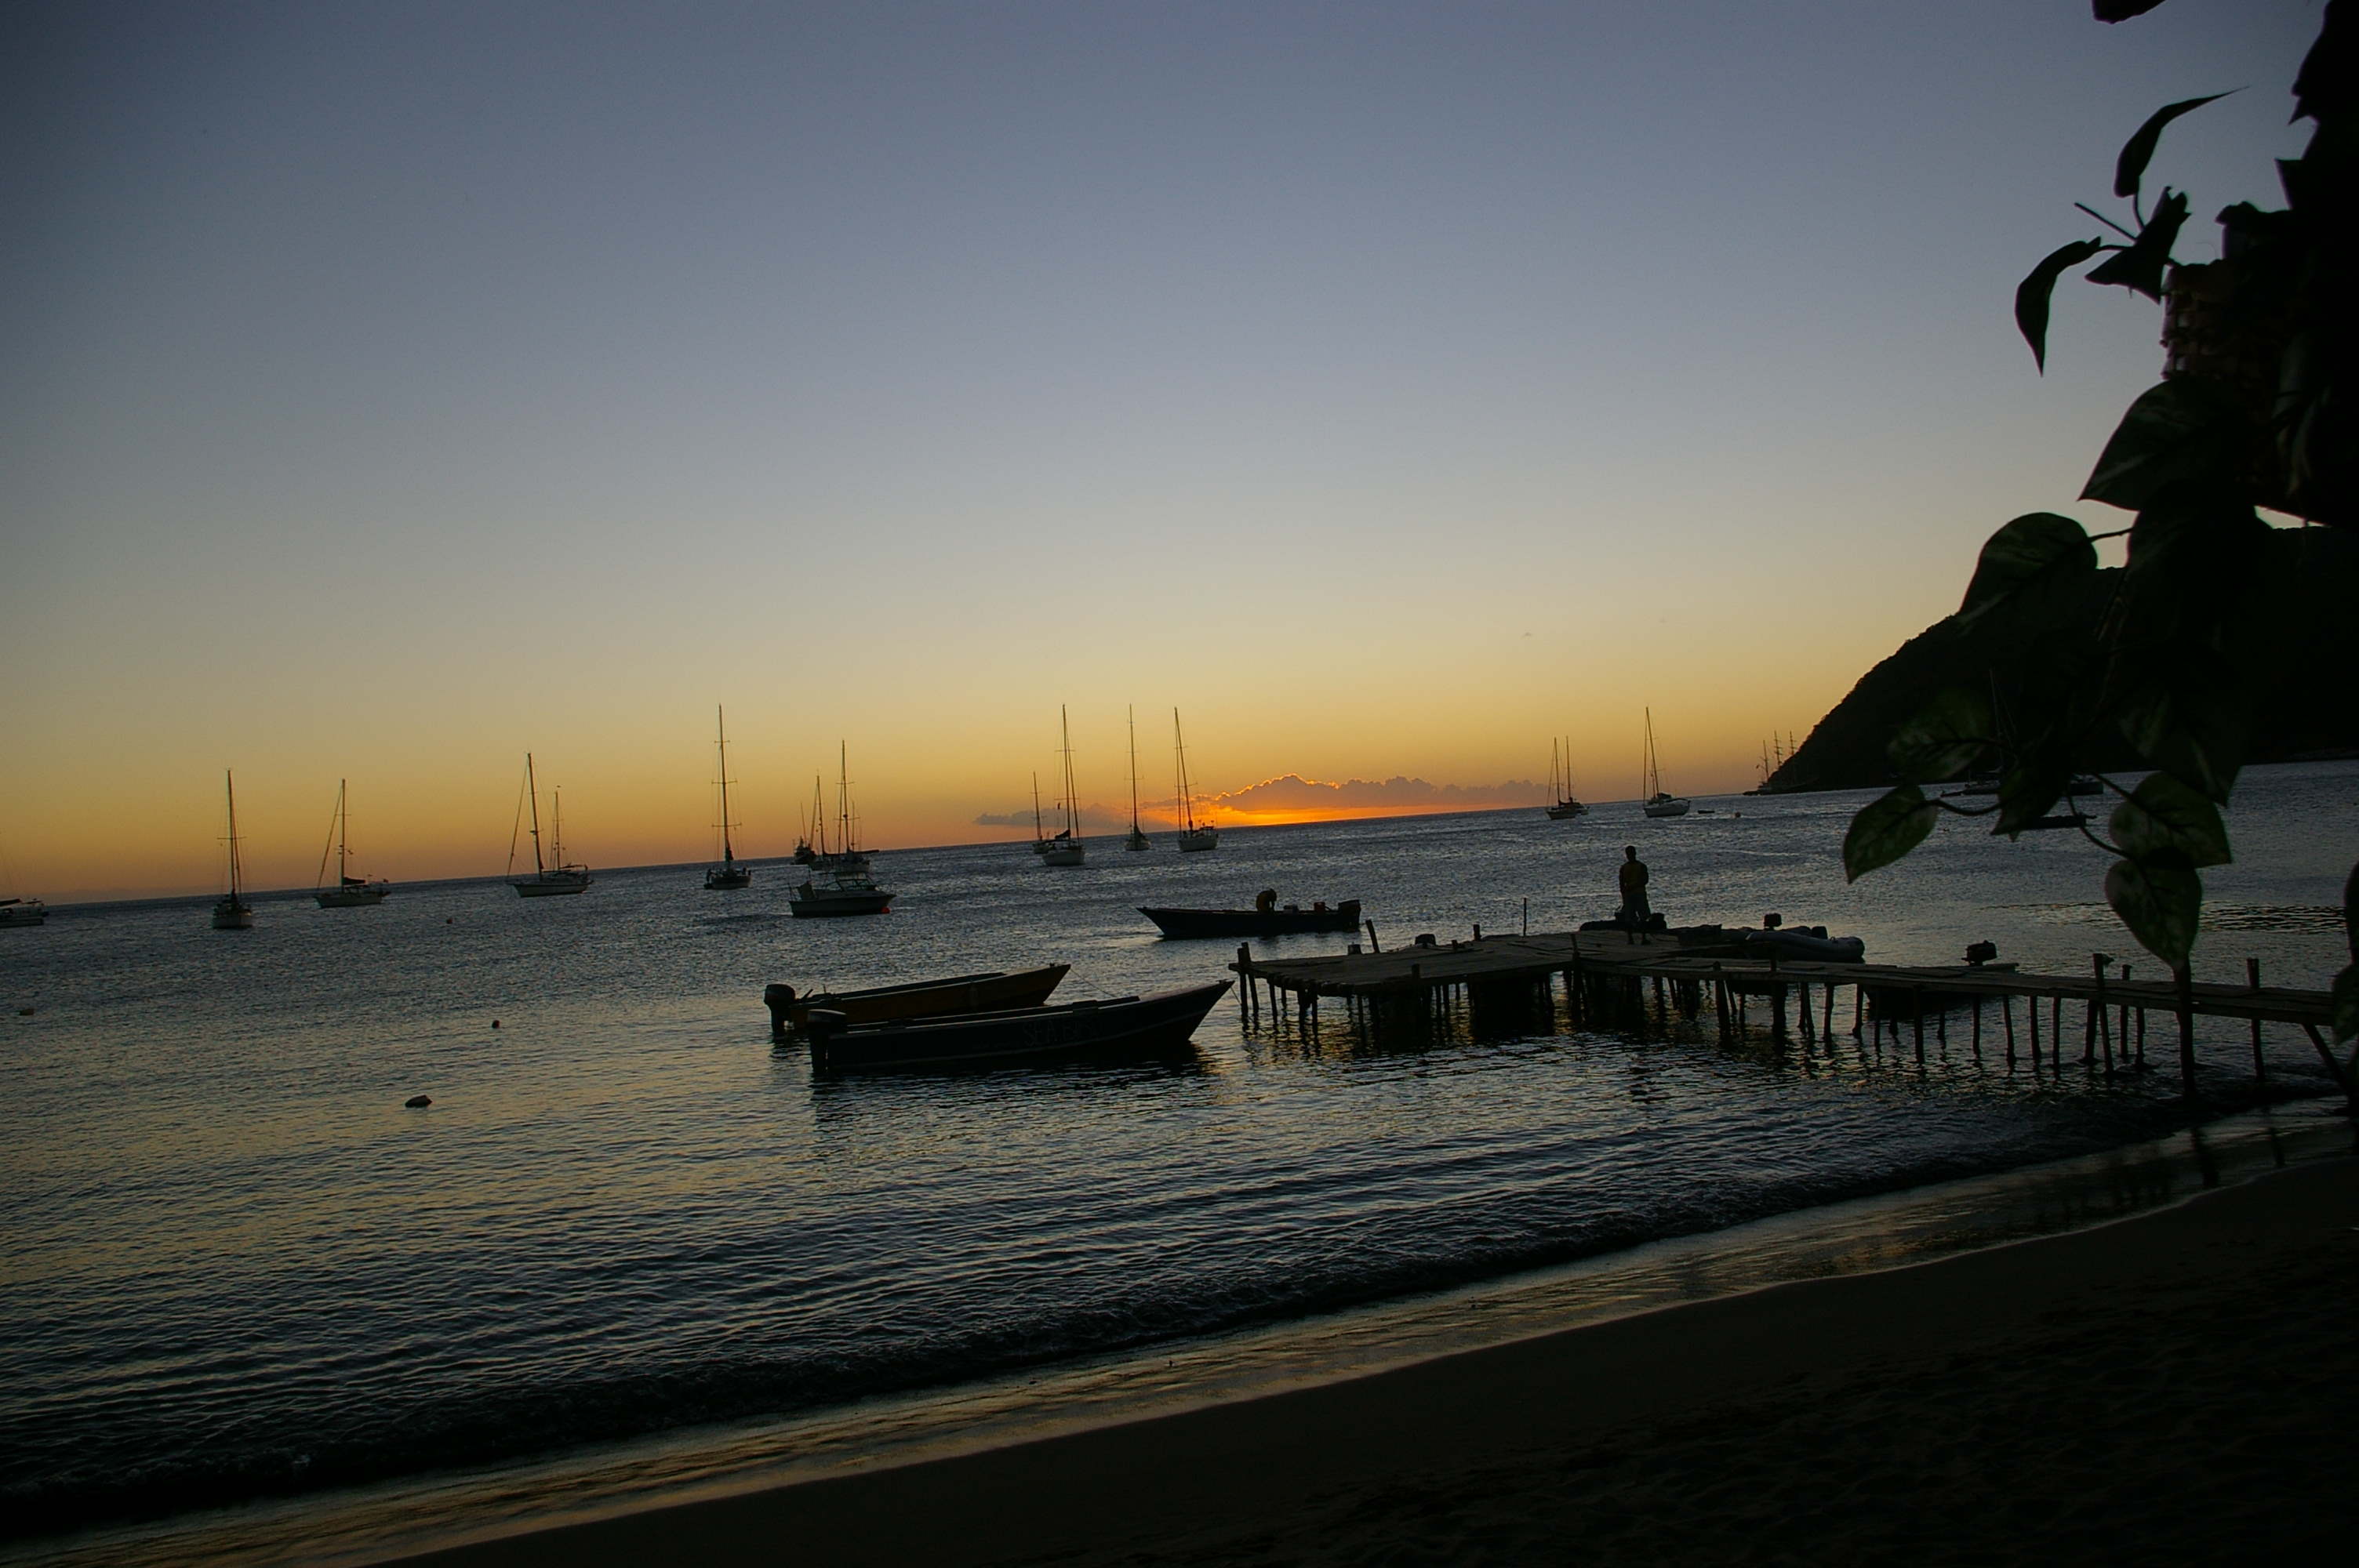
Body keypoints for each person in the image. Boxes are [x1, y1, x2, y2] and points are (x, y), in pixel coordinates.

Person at [1617, 845, 1650, 927]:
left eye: (1631, 853)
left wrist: (1632, 886)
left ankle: (1644, 932)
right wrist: (1624, 895)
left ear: (1635, 853)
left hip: (1639, 893)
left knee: (1644, 916)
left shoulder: (1641, 866)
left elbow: (1645, 880)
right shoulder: (1624, 868)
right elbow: (1621, 883)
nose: (1629, 855)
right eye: (1628, 854)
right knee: (1630, 917)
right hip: (1629, 895)